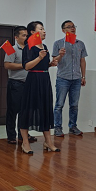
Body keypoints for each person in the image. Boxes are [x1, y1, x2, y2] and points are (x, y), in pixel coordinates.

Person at [19, 21, 60, 154]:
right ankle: (25, 142)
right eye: (41, 29)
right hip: (33, 80)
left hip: (44, 79)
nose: (44, 31)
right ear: (33, 32)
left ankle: (48, 142)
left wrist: (50, 64)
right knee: (28, 109)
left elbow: (43, 65)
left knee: (45, 109)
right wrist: (39, 57)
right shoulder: (28, 47)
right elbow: (27, 66)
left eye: (43, 29)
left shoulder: (44, 46)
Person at [52, 20, 87, 137]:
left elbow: (82, 61)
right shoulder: (58, 44)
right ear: (63, 30)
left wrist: (83, 76)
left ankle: (73, 126)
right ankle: (57, 128)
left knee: (74, 105)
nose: (72, 28)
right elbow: (54, 62)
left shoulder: (80, 44)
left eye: (73, 26)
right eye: (69, 27)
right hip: (63, 78)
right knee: (59, 105)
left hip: (76, 78)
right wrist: (60, 55)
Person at [4, 26, 37, 145]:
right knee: (13, 111)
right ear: (16, 37)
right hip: (16, 84)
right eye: (23, 35)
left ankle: (23, 134)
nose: (26, 37)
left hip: (29, 84)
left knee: (26, 111)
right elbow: (7, 65)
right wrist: (24, 65)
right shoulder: (11, 49)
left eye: (27, 35)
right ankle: (11, 135)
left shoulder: (30, 49)